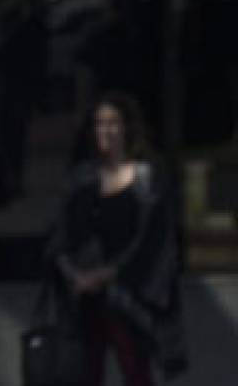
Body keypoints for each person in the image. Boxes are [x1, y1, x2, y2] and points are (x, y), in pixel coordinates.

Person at [46, 92, 186, 385]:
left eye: (112, 123)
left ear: (127, 127)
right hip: (85, 300)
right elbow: (61, 235)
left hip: (130, 299)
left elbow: (154, 240)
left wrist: (109, 273)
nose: (105, 131)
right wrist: (75, 275)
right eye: (99, 123)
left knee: (136, 371)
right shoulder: (81, 178)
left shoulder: (146, 179)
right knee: (84, 374)